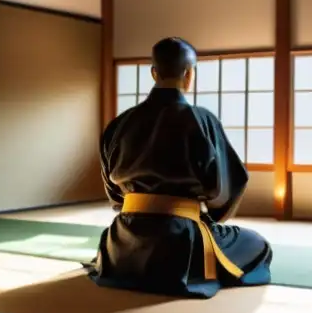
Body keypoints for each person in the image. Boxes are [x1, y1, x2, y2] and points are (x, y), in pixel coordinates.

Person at [90, 37, 273, 298]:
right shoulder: (201, 120)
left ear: (154, 73)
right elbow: (231, 182)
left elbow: (114, 192)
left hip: (124, 238)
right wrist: (211, 217)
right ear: (189, 75)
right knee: (257, 244)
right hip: (181, 240)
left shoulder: (119, 124)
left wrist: (137, 210)